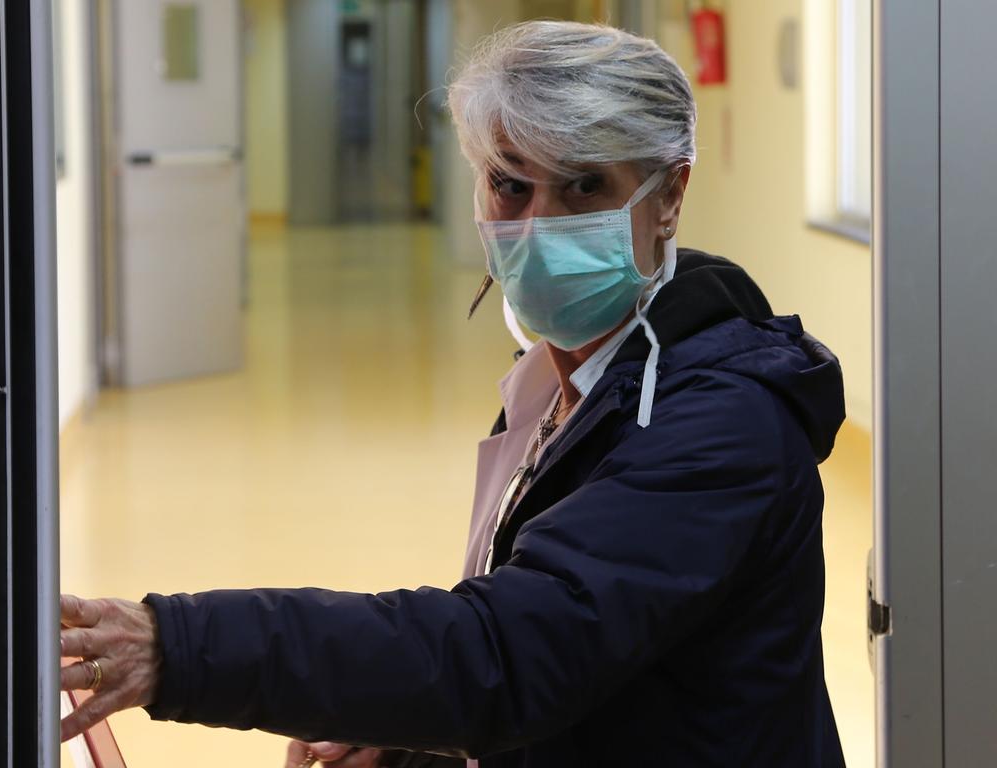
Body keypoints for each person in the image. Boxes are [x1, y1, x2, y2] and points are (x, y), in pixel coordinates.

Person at [60, 21, 847, 767]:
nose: (537, 227)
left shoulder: (723, 424)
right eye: (509, 185)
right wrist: (407, 740)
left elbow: (508, 654)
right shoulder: (566, 377)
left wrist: (178, 648)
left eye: (582, 186)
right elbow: (587, 661)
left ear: (668, 196)